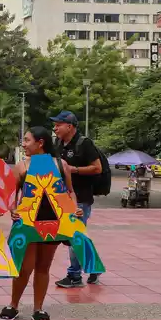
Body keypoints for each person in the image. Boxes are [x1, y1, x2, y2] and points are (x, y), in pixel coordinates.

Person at [0, 127, 83, 320]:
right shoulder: (21, 166)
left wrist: (74, 209)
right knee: (24, 268)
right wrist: (12, 209)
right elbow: (11, 194)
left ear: (40, 142)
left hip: (53, 222)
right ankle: (13, 305)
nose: (24, 144)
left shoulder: (61, 165)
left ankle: (38, 309)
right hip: (28, 223)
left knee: (43, 268)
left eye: (27, 140)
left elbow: (70, 192)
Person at [51, 111, 102, 288]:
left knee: (74, 236)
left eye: (58, 125)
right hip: (62, 198)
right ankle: (94, 266)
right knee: (75, 235)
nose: (55, 128)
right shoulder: (57, 143)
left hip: (80, 198)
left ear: (69, 126)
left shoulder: (84, 143)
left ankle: (74, 276)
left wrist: (73, 170)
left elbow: (97, 168)